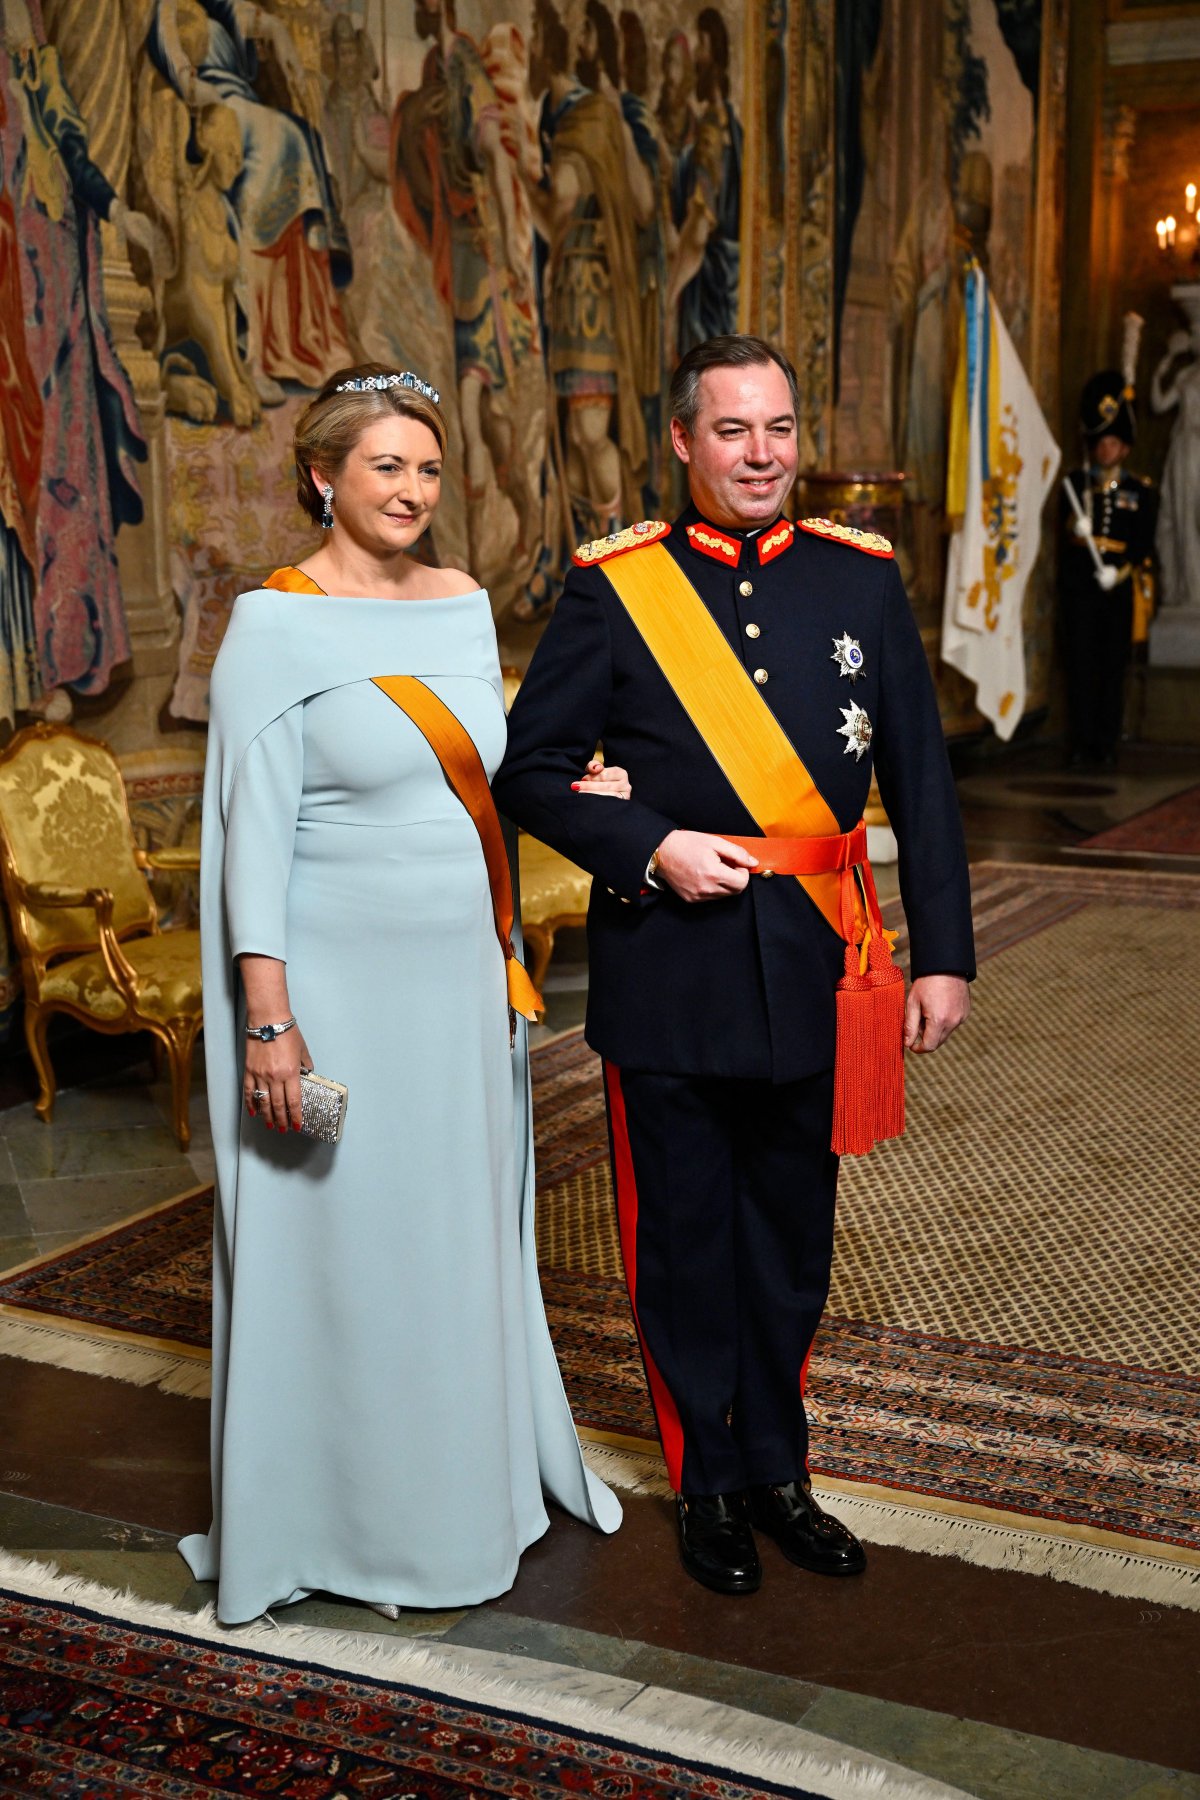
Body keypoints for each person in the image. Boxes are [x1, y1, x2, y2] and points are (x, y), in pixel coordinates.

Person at [494, 334, 974, 1596]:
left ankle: (780, 1471)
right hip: (672, 975)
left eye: (779, 430)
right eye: (734, 432)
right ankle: (708, 1482)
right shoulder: (617, 589)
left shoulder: (859, 581)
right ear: (683, 442)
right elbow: (529, 772)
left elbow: (920, 779)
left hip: (822, 967)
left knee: (791, 1242)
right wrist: (650, 845)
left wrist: (946, 955)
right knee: (686, 1245)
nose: (762, 456)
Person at [185, 361, 624, 1626]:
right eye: (386, 466)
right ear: (324, 475)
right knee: (346, 1244)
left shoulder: (463, 604)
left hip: (459, 988)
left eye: (428, 469)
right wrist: (270, 1020)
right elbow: (250, 838)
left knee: (455, 1231)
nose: (413, 490)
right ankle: (346, 1518)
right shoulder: (273, 625)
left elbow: (477, 778)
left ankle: (465, 1496)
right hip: (333, 992)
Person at [1059, 371, 1157, 769]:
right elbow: (1064, 532)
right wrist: (1073, 526)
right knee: (1080, 665)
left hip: (1115, 589)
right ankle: (1082, 741)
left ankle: (1106, 742)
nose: (1105, 450)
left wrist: (1120, 572)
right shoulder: (1076, 482)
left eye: (1112, 442)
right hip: (1082, 590)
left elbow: (1143, 541)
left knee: (1111, 668)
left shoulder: (1141, 490)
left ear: (1125, 446)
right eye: (1100, 442)